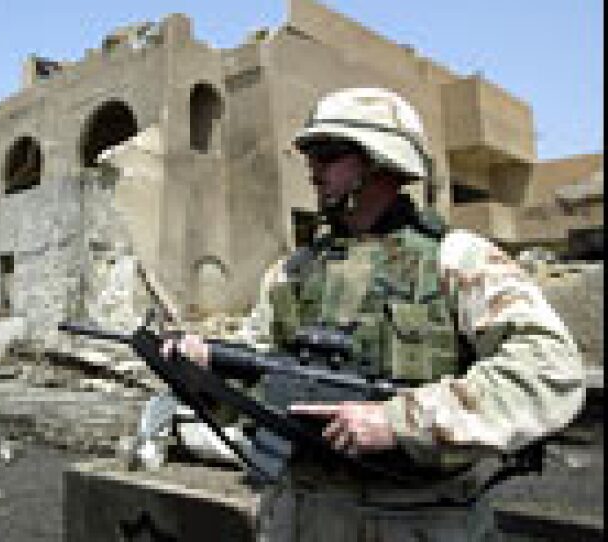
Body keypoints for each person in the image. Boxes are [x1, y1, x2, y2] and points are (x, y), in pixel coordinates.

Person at [162, 87, 585, 541]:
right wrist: (205, 376)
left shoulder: (459, 261)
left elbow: (549, 373)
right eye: (310, 155)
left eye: (327, 154)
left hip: (419, 522)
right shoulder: (293, 273)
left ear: (379, 160)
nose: (312, 169)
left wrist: (401, 420)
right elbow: (258, 388)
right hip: (298, 521)